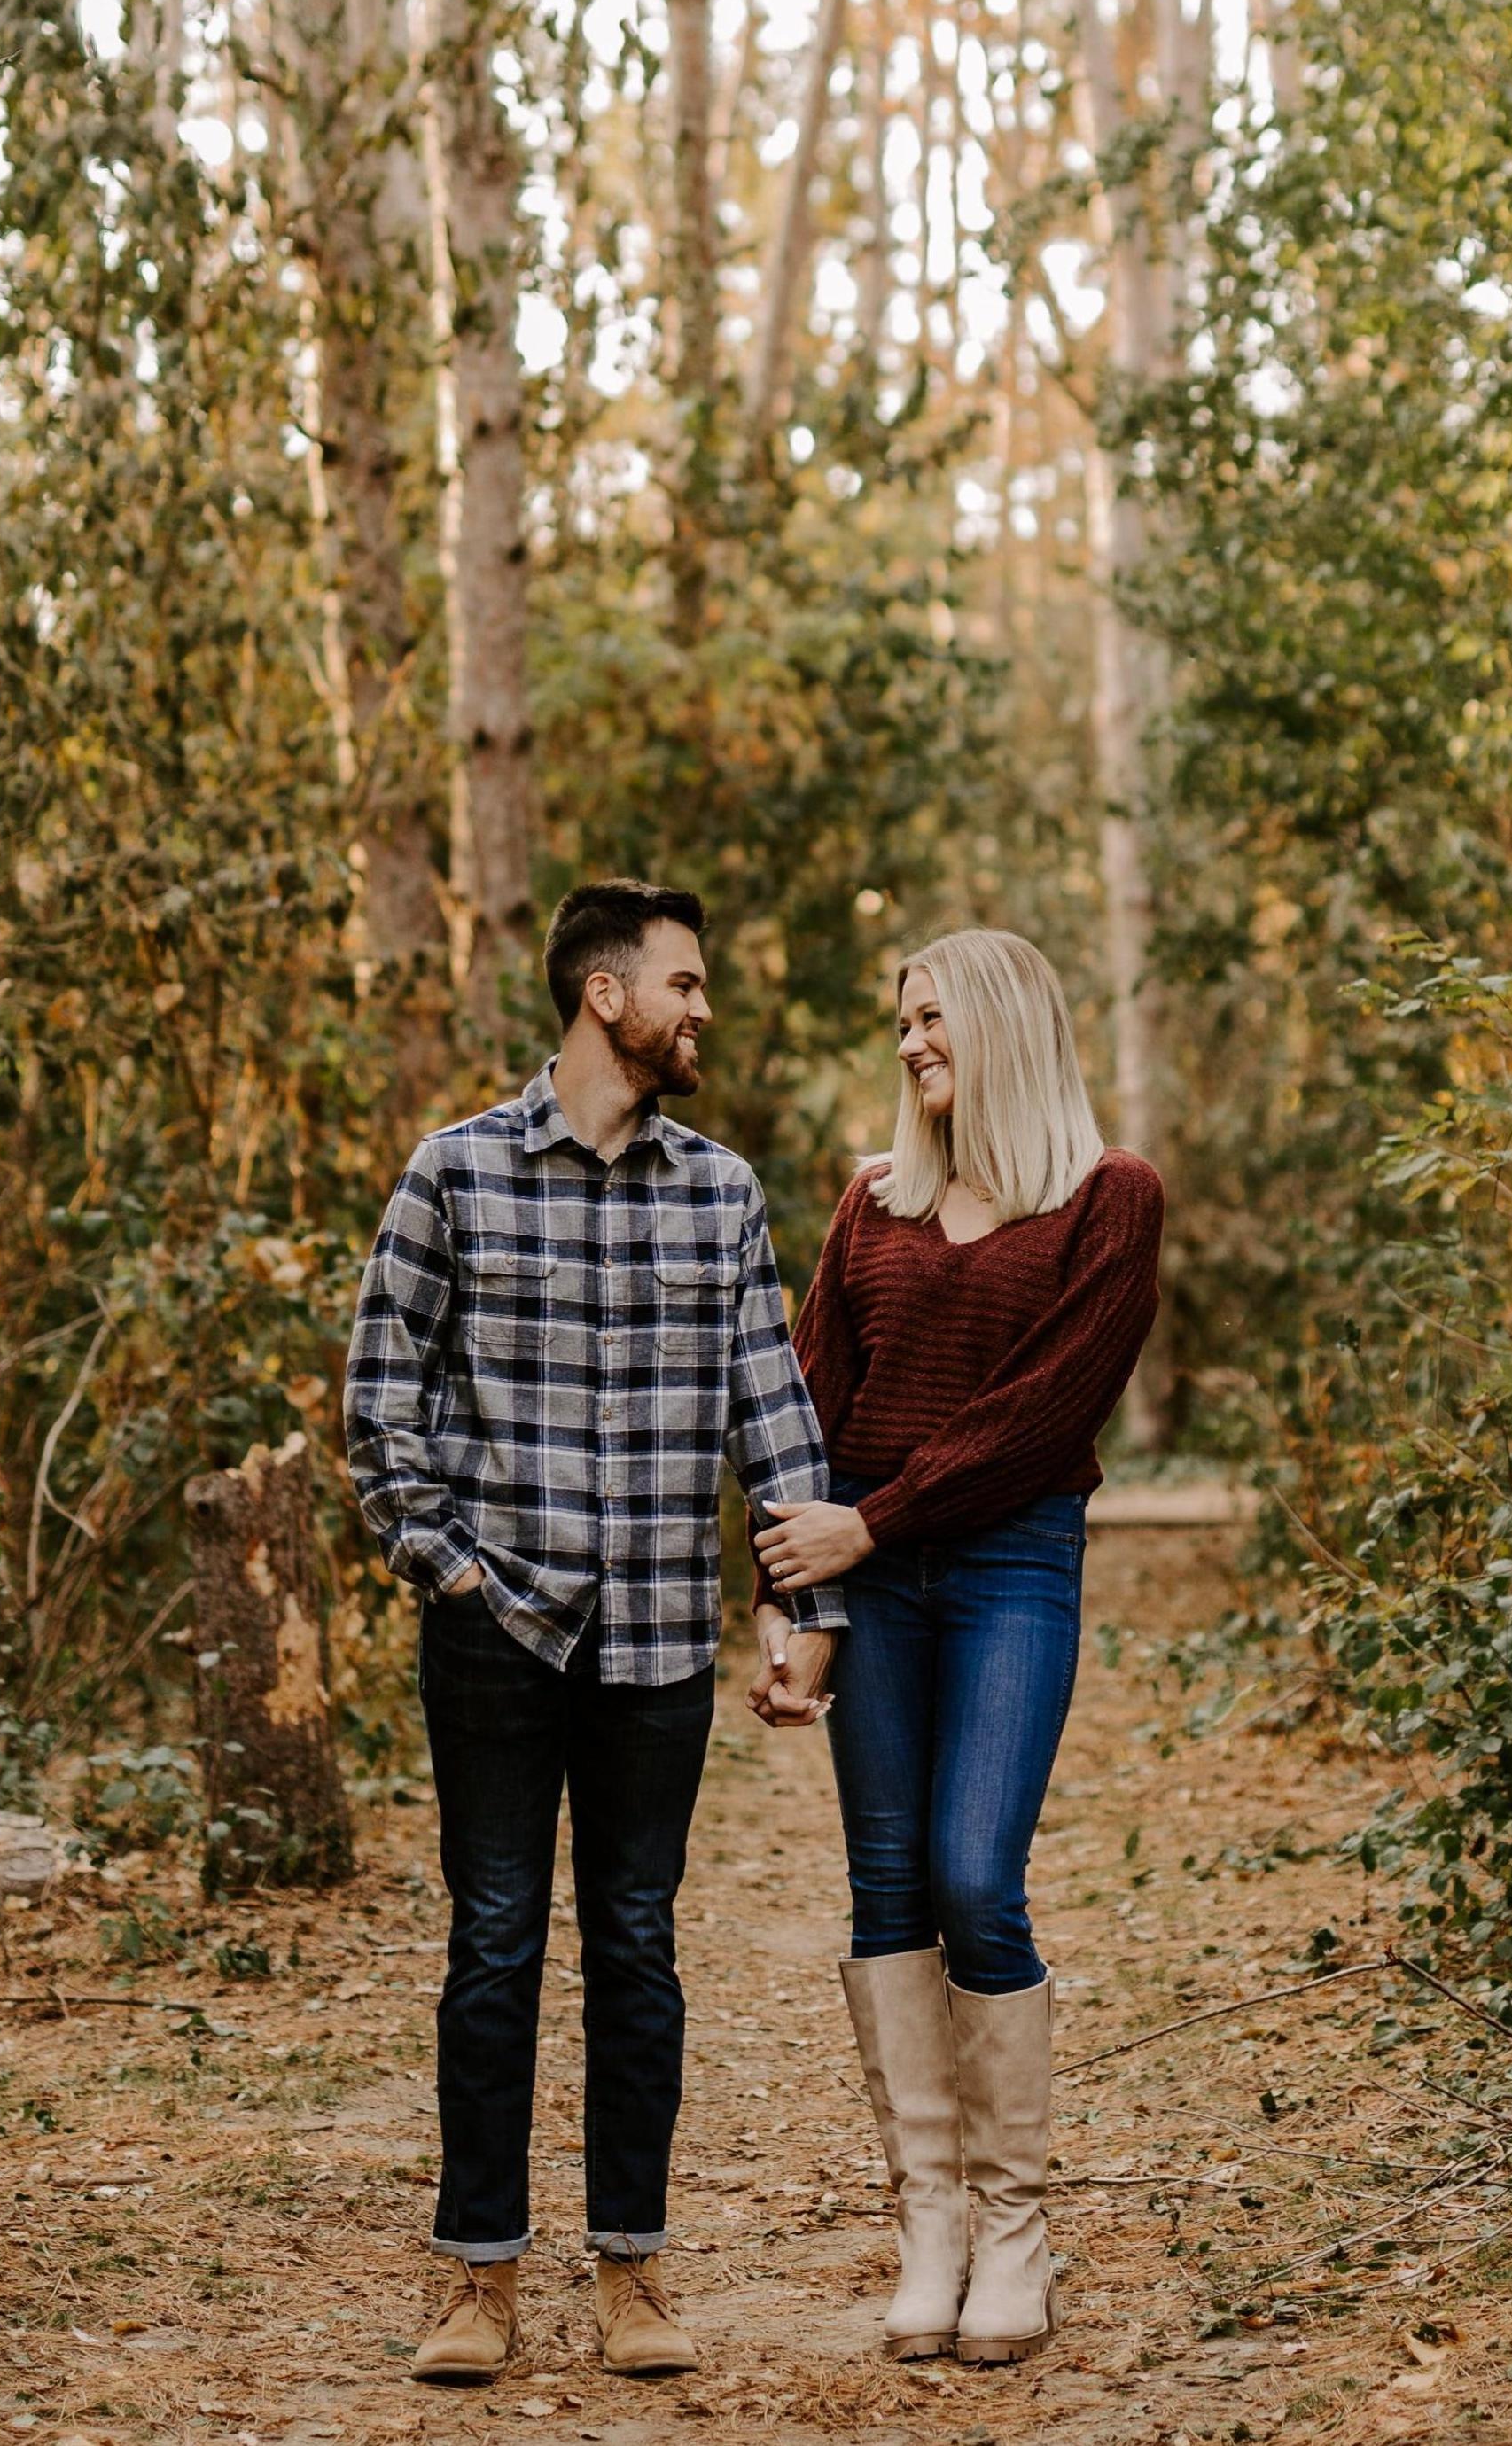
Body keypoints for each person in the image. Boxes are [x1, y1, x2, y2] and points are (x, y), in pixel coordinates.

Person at [347, 879, 846, 2388]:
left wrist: (801, 1601)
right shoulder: (454, 1172)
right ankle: (477, 2275)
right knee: (493, 1942)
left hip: (655, 1646)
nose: (703, 1009)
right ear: (603, 994)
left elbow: (771, 1409)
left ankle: (632, 2266)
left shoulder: (720, 1191)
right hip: (495, 1631)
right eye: (683, 983)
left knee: (636, 1942)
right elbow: (380, 1400)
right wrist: (451, 1570)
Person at [752, 929, 1162, 2369]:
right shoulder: (873, 1202)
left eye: (931, 1016)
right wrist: (786, 1600)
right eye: (903, 1021)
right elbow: (806, 1403)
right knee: (886, 1887)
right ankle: (929, 2227)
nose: (911, 1040)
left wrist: (870, 1524)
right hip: (862, 1575)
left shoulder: (1108, 1196)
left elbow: (1045, 1413)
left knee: (974, 1874)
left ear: (1001, 1022)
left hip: (1006, 1564)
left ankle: (1014, 2230)